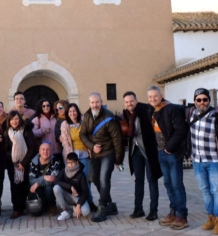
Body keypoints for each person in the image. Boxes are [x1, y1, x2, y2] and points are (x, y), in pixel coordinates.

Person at [186, 88, 218, 235]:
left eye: (205, 99)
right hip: (197, 160)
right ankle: (210, 217)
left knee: (217, 190)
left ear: (209, 100)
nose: (202, 102)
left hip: (214, 160)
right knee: (204, 190)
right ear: (194, 101)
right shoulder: (189, 113)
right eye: (199, 99)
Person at [148, 86, 189, 230]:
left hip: (172, 153)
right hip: (161, 153)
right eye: (150, 97)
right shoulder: (154, 111)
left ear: (161, 95)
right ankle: (173, 211)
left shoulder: (170, 109)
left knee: (177, 184)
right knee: (168, 183)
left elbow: (180, 130)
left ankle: (182, 216)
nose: (153, 99)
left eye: (155, 96)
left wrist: (169, 148)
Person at [80, 92, 124, 222]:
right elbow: (82, 135)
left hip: (108, 154)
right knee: (96, 180)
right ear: (89, 104)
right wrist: (92, 146)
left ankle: (102, 208)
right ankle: (110, 205)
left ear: (101, 102)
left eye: (97, 102)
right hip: (94, 154)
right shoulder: (87, 116)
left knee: (104, 179)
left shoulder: (109, 117)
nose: (95, 105)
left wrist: (119, 160)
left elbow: (117, 140)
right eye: (92, 102)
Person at [122, 91, 162, 221]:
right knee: (138, 180)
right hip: (135, 151)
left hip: (148, 150)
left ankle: (153, 210)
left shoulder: (146, 109)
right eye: (127, 102)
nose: (129, 104)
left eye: (131, 101)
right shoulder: (125, 114)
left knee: (152, 179)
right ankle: (138, 209)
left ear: (136, 100)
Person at [59, 103, 96, 211]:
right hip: (72, 155)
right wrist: (71, 156)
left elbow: (89, 136)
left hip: (84, 154)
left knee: (86, 180)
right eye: (70, 111)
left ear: (77, 112)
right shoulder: (65, 125)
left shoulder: (83, 122)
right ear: (67, 113)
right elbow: (65, 142)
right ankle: (75, 200)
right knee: (73, 178)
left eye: (74, 111)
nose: (72, 113)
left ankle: (89, 201)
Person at [4, 110, 37, 219]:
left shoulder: (26, 130)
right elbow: (6, 149)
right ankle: (17, 209)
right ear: (9, 120)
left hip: (26, 163)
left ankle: (28, 206)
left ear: (20, 119)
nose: (14, 121)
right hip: (12, 164)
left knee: (25, 184)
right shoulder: (7, 132)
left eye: (16, 119)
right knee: (15, 187)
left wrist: (23, 163)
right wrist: (12, 160)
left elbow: (32, 148)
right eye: (12, 119)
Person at [54, 152, 91, 220]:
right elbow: (57, 181)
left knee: (86, 212)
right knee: (56, 188)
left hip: (77, 197)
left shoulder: (81, 174)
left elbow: (85, 192)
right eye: (68, 162)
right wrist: (70, 187)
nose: (70, 165)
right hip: (67, 195)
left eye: (72, 162)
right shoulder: (64, 171)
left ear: (77, 162)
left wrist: (78, 205)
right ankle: (64, 211)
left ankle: (73, 208)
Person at [28, 141, 60, 216]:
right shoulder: (33, 162)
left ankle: (52, 206)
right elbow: (31, 181)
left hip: (48, 187)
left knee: (49, 188)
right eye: (43, 149)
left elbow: (52, 179)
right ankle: (43, 206)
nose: (45, 151)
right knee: (35, 213)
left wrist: (37, 183)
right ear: (39, 151)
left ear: (51, 151)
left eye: (47, 150)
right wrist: (44, 177)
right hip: (38, 188)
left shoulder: (55, 161)